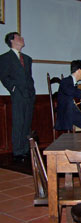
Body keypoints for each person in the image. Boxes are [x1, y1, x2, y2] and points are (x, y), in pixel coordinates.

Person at [0, 32, 35, 163]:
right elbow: (4, 77)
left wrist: (32, 91)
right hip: (18, 95)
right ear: (12, 41)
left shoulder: (27, 59)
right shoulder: (5, 58)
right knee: (18, 123)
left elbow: (29, 78)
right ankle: (17, 151)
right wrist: (13, 89)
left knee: (27, 123)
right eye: (19, 37)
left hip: (29, 95)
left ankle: (25, 149)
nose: (22, 39)